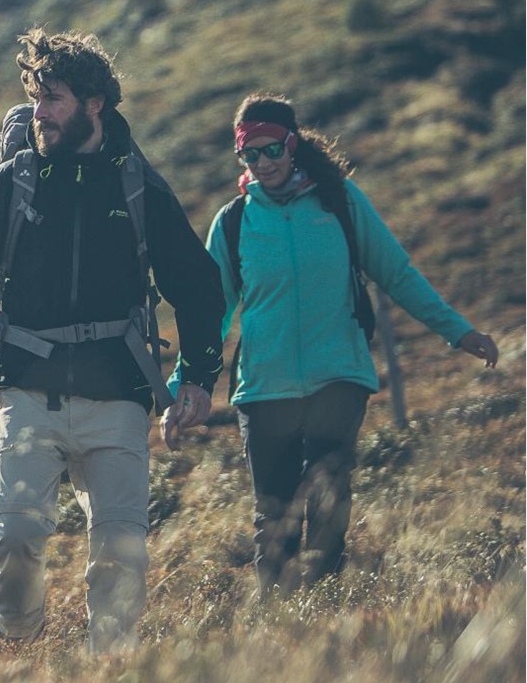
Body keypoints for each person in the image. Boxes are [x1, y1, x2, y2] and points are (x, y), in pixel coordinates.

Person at [0, 29, 227, 654]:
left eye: (54, 99)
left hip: (119, 395)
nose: (38, 112)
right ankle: (20, 648)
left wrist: (198, 377)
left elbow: (198, 285)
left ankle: (109, 666)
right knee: (12, 539)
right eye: (35, 98)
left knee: (122, 555)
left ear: (95, 104)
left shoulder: (137, 185)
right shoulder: (13, 182)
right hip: (28, 392)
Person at [166, 93, 499, 595]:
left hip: (337, 377)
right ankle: (279, 629)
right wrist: (185, 382)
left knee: (328, 498)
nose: (262, 163)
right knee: (273, 517)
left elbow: (397, 272)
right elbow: (211, 312)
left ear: (292, 145)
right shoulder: (233, 223)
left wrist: (458, 331)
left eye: (271, 150)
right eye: (249, 155)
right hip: (265, 389)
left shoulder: (341, 203)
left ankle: (321, 607)